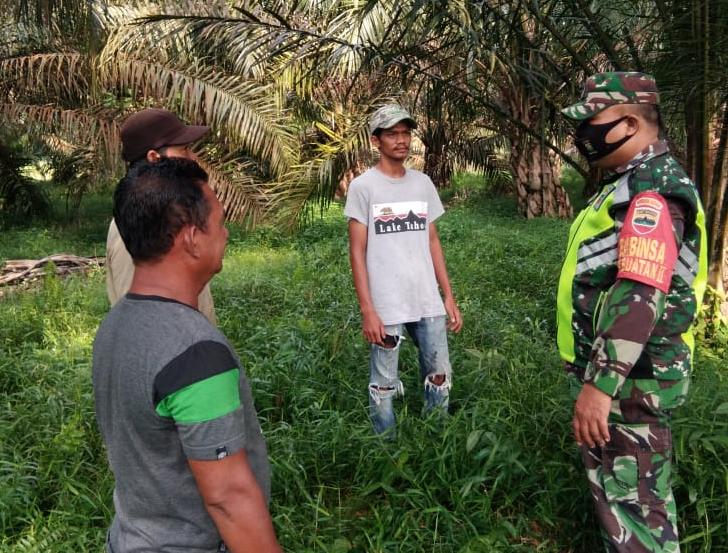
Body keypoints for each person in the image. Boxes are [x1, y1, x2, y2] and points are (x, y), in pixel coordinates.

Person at [93, 158, 281, 553]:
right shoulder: (195, 354)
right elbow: (229, 497)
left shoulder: (115, 326)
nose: (226, 234)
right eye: (219, 221)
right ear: (193, 238)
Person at [557, 72, 707, 552]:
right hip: (629, 375)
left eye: (591, 123)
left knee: (637, 515)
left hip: (630, 379)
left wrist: (600, 386)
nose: (583, 136)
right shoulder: (629, 183)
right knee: (627, 501)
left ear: (629, 122)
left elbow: (640, 293)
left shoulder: (653, 191)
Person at [344, 104, 463, 435]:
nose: (401, 140)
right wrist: (368, 309)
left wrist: (448, 296)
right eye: (392, 134)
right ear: (375, 141)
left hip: (426, 300)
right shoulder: (363, 187)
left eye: (405, 133)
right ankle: (387, 445)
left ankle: (437, 438)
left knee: (438, 373)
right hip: (387, 304)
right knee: (383, 383)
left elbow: (433, 242)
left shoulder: (422, 184)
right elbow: (357, 251)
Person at [106, 108, 216, 324]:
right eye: (184, 150)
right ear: (154, 158)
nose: (193, 158)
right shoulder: (135, 228)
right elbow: (141, 321)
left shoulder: (164, 216)